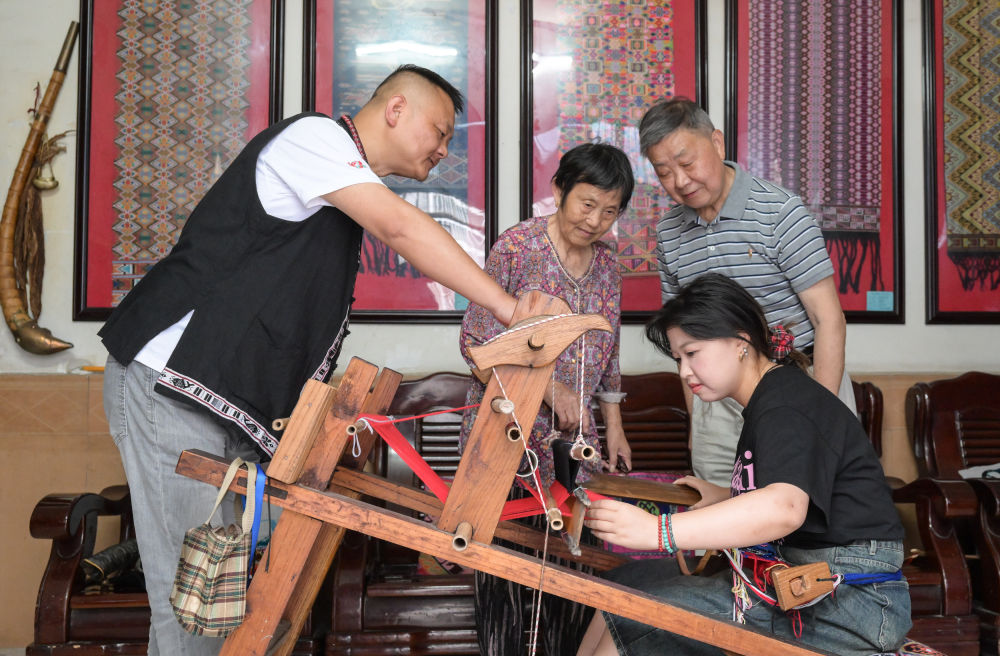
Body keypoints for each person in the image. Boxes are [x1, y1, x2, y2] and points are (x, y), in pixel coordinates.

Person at [99, 64, 517, 656]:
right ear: (396, 108)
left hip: (221, 404)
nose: (445, 150)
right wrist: (508, 308)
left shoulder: (342, 188)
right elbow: (400, 227)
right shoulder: (315, 138)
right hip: (171, 383)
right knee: (196, 611)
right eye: (441, 131)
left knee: (232, 606)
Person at [577, 272, 910, 656]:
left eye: (692, 353)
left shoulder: (785, 405)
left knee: (636, 615)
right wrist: (725, 495)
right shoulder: (772, 398)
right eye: (678, 359)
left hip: (852, 600)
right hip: (810, 582)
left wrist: (658, 531)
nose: (684, 372)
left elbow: (784, 508)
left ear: (740, 342)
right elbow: (797, 491)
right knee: (622, 589)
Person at [458, 142, 635, 655]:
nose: (595, 221)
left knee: (573, 587)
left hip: (577, 450)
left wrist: (615, 426)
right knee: (508, 594)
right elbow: (475, 343)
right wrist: (551, 388)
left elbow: (610, 350)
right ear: (559, 190)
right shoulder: (517, 248)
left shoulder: (608, 267)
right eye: (587, 203)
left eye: (609, 211)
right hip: (506, 443)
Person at [641, 97, 855, 487]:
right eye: (664, 173)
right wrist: (698, 423)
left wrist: (819, 416)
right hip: (718, 401)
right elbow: (682, 340)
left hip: (798, 383)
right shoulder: (669, 233)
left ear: (717, 143)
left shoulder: (781, 212)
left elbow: (828, 320)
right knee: (723, 507)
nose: (680, 182)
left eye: (687, 163)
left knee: (806, 506)